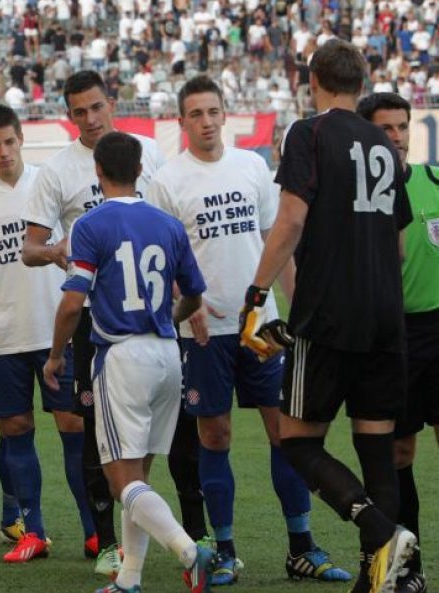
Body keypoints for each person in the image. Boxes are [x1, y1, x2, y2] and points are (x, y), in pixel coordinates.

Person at [147, 75, 348, 586]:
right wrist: (180, 300)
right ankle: (227, 550)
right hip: (205, 330)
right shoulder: (168, 181)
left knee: (285, 433)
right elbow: (165, 259)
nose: (207, 121)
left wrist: (298, 307)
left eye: (214, 111)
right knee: (214, 434)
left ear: (225, 114)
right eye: (196, 113)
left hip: (261, 325)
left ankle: (301, 547)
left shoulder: (252, 167)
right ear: (182, 121)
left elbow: (274, 240)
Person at [240, 40, 417, 593]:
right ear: (362, 83)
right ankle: (380, 581)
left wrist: (256, 294)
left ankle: (380, 530)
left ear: (312, 79)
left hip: (328, 316)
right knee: (376, 449)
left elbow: (290, 221)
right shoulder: (386, 145)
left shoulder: (308, 132)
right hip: (387, 317)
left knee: (294, 439)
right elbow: (399, 248)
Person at [42, 131, 214, 593]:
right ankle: (129, 578)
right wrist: (169, 316)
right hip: (166, 353)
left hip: (122, 356)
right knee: (138, 475)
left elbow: (72, 304)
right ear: (141, 171)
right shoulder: (168, 224)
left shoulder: (90, 225)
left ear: (97, 172)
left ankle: (189, 550)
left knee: (122, 481)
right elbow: (194, 294)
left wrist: (57, 355)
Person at [21, 69, 169, 576]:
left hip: (151, 316)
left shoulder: (149, 155)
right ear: (69, 114)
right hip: (90, 319)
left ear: (113, 102)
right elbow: (29, 249)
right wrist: (57, 251)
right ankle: (106, 541)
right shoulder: (57, 171)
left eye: (96, 107)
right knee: (94, 432)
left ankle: (177, 535)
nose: (89, 119)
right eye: (79, 111)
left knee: (164, 435)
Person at [0, 104, 86, 563]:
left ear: (21, 138)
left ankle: (94, 530)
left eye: (9, 141)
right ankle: (35, 530)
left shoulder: (48, 183)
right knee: (15, 428)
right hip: (3, 336)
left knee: (73, 424)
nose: (4, 151)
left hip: (56, 331)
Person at [359, 91, 438, 593]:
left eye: (401, 127)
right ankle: (411, 568)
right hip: (395, 337)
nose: (395, 137)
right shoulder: (363, 200)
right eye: (385, 129)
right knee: (401, 453)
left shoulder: (434, 182)